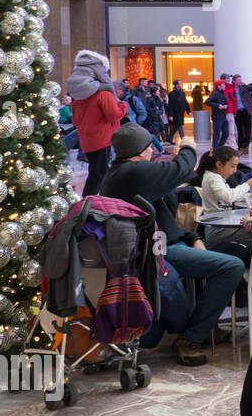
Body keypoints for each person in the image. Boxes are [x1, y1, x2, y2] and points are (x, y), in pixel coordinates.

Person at [99, 123, 243, 367]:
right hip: (158, 251)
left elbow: (165, 221)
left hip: (168, 242)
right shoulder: (131, 174)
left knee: (236, 250)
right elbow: (183, 167)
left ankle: (205, 326)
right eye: (149, 147)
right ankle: (192, 337)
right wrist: (188, 146)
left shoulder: (128, 174)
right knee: (231, 266)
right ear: (142, 150)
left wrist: (193, 238)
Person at [66, 50, 127, 196]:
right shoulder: (103, 93)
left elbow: (76, 120)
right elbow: (114, 115)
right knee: (99, 174)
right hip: (103, 138)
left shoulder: (79, 96)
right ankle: (90, 203)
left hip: (87, 139)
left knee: (95, 171)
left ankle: (91, 200)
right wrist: (123, 106)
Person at [195, 146, 252, 261]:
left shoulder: (216, 177)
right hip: (217, 229)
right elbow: (228, 197)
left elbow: (230, 195)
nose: (235, 170)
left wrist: (249, 196)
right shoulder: (213, 178)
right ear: (219, 164)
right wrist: (247, 185)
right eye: (232, 166)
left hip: (222, 226)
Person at [230, 74, 252, 155]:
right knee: (240, 130)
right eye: (238, 80)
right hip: (237, 112)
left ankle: (245, 145)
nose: (240, 81)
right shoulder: (231, 89)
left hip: (246, 111)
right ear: (234, 81)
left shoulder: (243, 87)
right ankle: (240, 146)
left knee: (248, 130)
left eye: (240, 79)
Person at [206, 79, 230, 148]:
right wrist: (218, 105)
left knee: (226, 133)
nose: (224, 86)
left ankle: (219, 146)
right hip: (217, 117)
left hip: (223, 116)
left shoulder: (223, 93)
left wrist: (226, 106)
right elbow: (207, 102)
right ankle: (215, 148)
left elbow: (227, 104)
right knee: (216, 134)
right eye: (223, 85)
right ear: (218, 86)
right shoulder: (215, 93)